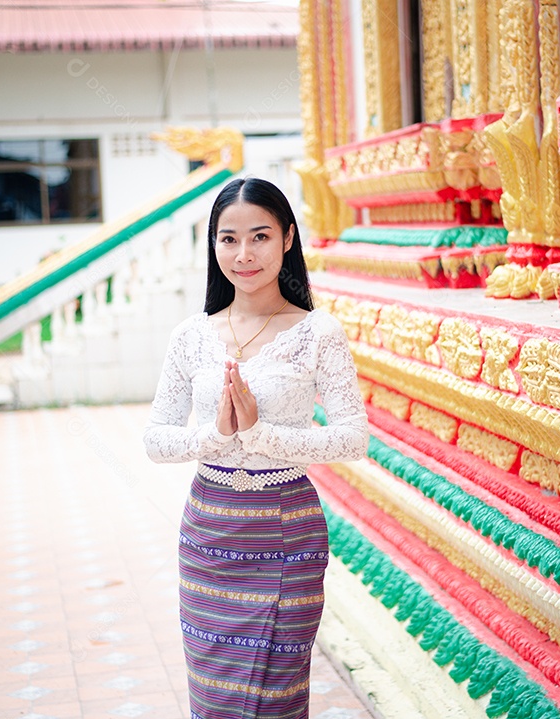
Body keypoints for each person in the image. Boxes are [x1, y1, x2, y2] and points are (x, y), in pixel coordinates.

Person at [142, 177, 369, 719]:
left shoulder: (318, 333)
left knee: (275, 694)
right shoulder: (190, 336)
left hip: (285, 528)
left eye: (260, 236)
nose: (244, 254)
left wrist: (261, 435)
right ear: (213, 245)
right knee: (215, 695)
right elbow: (156, 439)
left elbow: (353, 437)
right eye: (228, 239)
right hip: (209, 531)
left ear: (288, 238)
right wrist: (217, 436)